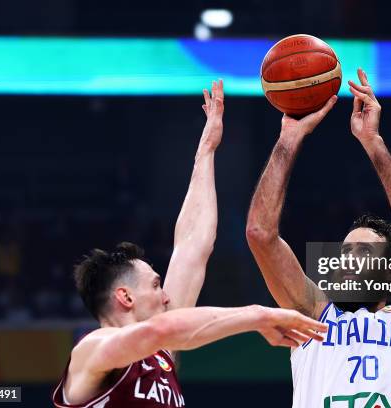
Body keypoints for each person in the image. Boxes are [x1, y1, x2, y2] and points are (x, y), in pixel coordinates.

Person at [52, 80, 327, 408]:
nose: (166, 293)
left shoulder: (160, 353)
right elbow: (160, 330)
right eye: (155, 285)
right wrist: (258, 315)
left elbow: (193, 246)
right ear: (124, 297)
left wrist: (206, 151)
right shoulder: (93, 350)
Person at [246, 69, 391, 408]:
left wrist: (373, 143)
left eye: (364, 251)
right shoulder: (311, 315)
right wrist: (289, 138)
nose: (349, 258)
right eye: (346, 250)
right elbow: (260, 234)